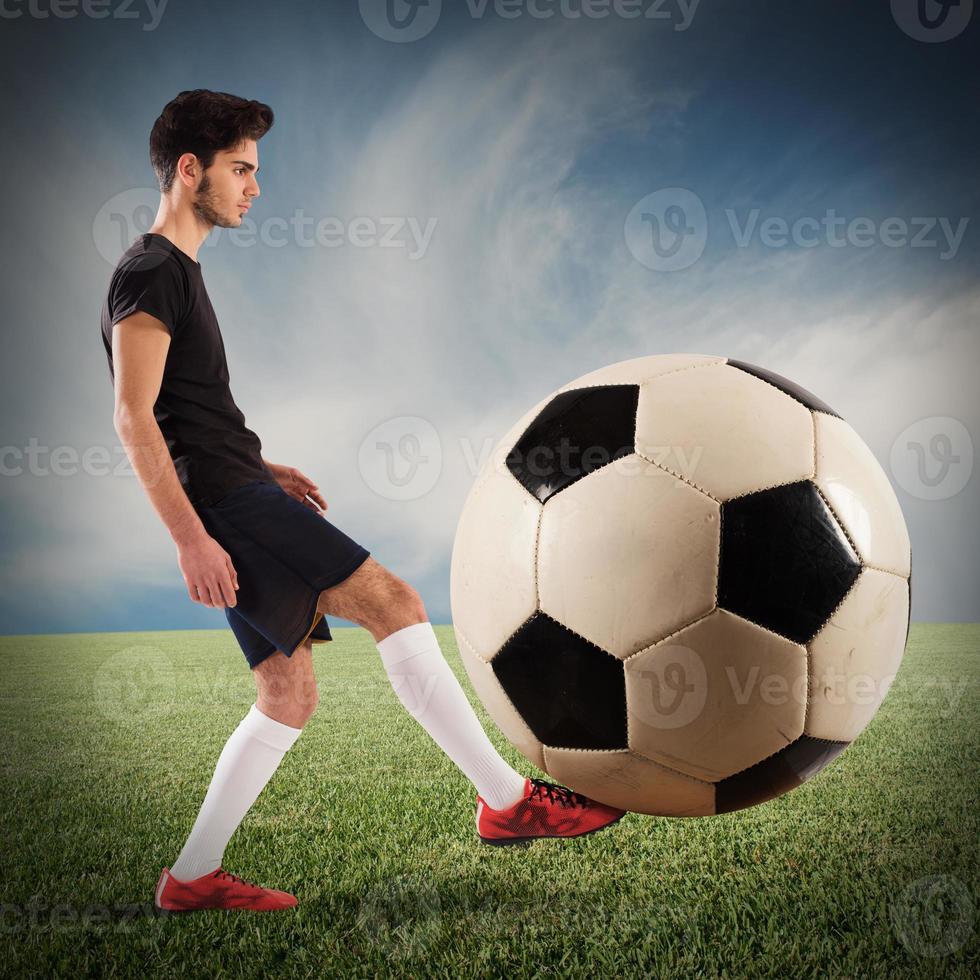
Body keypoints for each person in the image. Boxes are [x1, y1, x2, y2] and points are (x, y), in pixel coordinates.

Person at [100, 89, 626, 914]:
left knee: (288, 694)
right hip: (224, 508)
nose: (255, 187)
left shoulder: (178, 273)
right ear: (191, 170)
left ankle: (191, 878)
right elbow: (134, 416)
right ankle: (504, 803)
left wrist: (261, 464)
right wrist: (192, 539)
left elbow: (181, 413)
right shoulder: (151, 271)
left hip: (238, 487)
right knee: (394, 602)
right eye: (242, 169)